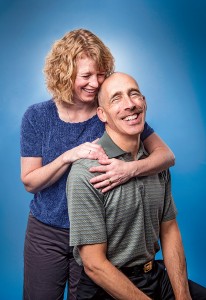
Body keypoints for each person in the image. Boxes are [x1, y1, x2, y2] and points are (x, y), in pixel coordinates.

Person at [20, 29, 175, 300]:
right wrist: (69, 155)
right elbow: (30, 181)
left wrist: (128, 170)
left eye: (100, 73)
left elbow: (166, 157)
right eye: (86, 76)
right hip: (48, 232)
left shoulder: (110, 113)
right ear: (65, 74)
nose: (95, 83)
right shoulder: (37, 116)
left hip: (99, 236)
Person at [67, 72, 206, 300]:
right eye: (116, 99)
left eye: (134, 95)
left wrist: (183, 297)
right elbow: (94, 265)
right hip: (105, 287)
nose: (130, 105)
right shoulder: (87, 172)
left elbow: (169, 230)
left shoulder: (154, 164)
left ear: (144, 102)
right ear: (102, 114)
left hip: (154, 275)